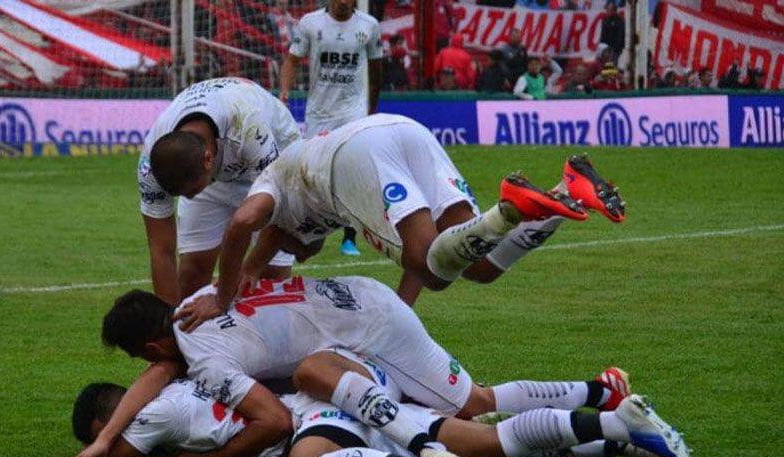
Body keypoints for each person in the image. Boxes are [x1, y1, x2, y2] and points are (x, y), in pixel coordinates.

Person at [77, 273, 639, 457]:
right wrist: (107, 436)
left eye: (143, 358)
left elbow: (271, 421)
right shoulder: (200, 299)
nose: (149, 370)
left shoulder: (205, 358)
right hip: (356, 299)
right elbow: (160, 373)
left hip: (370, 334)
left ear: (154, 345)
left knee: (470, 405)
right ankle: (600, 392)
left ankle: (423, 454)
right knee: (467, 407)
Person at [178, 115, 624, 310]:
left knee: (432, 266)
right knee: (479, 266)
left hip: (352, 159)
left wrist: (223, 295)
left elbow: (242, 222)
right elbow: (416, 260)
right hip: (404, 130)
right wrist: (399, 315)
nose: (303, 258)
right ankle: (568, 191)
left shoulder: (273, 188)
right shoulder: (298, 222)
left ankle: (509, 208)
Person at [71, 357, 693, 457]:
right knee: (479, 414)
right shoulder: (189, 360)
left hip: (327, 397)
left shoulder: (152, 412)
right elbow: (158, 368)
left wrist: (101, 447)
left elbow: (274, 417)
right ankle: (613, 431)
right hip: (364, 359)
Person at [137, 77, 300, 306]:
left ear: (208, 160)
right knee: (192, 273)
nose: (187, 198)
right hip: (213, 171)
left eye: (191, 191)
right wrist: (169, 329)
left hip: (276, 159)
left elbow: (276, 220)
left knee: (269, 278)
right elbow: (161, 249)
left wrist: (244, 273)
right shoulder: (151, 166)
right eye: (180, 195)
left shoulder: (248, 125)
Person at [279, 0, 384, 258]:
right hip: (319, 113)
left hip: (353, 111)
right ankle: (306, 234)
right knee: (310, 174)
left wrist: (371, 105)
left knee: (352, 169)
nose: (344, 2)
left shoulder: (369, 26)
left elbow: (377, 67)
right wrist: (284, 92)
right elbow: (292, 60)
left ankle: (350, 238)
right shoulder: (310, 23)